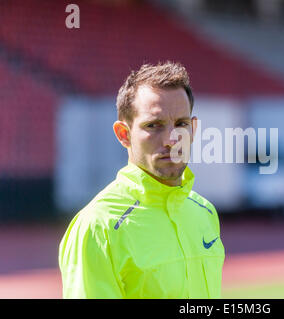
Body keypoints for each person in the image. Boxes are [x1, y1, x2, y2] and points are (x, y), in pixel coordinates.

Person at [58, 61, 225, 298]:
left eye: (181, 124)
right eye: (154, 126)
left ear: (194, 130)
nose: (171, 139)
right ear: (124, 134)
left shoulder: (205, 212)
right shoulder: (98, 227)